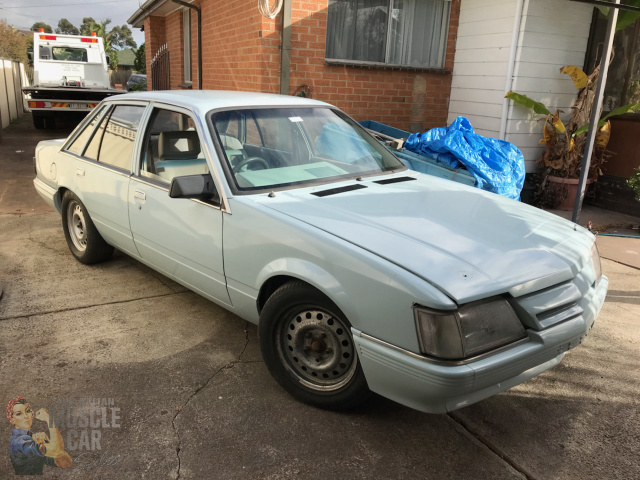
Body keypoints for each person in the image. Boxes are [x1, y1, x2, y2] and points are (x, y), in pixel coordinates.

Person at [6, 396, 72, 475]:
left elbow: (66, 463)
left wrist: (50, 443)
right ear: (12, 419)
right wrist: (49, 419)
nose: (26, 416)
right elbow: (57, 451)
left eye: (27, 411)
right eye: (19, 414)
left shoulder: (32, 437)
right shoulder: (19, 441)